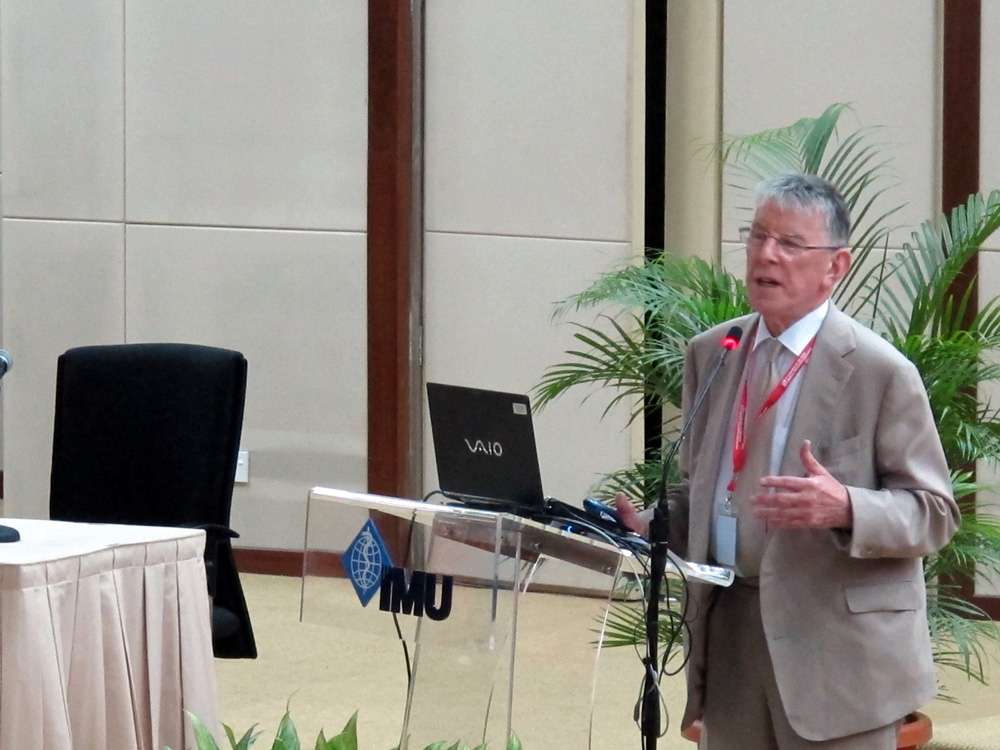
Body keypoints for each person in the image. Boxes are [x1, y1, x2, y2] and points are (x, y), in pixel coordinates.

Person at [615, 173, 960, 750]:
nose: (767, 254)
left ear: (836, 266)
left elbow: (935, 514)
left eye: (791, 243)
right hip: (733, 637)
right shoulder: (714, 352)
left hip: (838, 657)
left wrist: (846, 506)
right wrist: (651, 526)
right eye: (758, 236)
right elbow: (706, 489)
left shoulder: (880, 371)